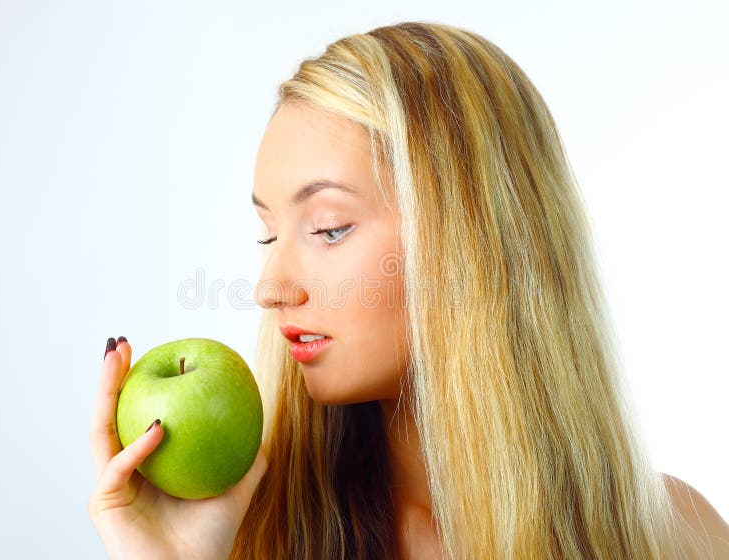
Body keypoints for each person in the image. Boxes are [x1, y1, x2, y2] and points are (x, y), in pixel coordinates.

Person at [88, 21, 729, 559]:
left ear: (470, 238)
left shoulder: (678, 537)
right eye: (267, 234)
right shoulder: (250, 535)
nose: (270, 287)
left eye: (329, 228)